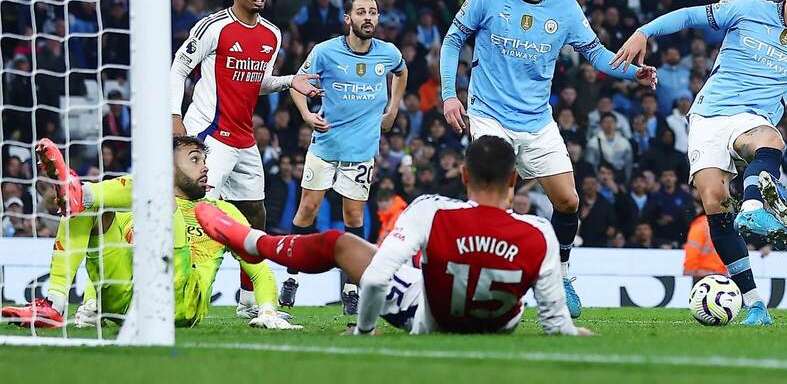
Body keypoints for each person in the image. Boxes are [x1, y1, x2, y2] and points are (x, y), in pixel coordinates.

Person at [611, 0, 787, 325]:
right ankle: (754, 304)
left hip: (753, 120)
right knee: (714, 203)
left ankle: (752, 205)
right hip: (708, 117)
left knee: (770, 138)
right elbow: (690, 16)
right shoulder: (746, 8)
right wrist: (645, 31)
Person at [439, 0, 657, 317]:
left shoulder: (566, 8)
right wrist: (449, 95)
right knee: (496, 202)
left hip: (537, 120)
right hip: (489, 114)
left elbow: (596, 54)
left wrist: (631, 74)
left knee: (569, 200)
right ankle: (482, 283)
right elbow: (453, 40)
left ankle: (561, 275)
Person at [195, 135, 590, 336]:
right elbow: (555, 320)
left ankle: (252, 242)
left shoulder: (433, 210)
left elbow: (380, 277)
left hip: (427, 317)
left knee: (341, 243)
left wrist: (364, 330)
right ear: (515, 180)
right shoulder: (539, 232)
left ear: (465, 175)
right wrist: (571, 333)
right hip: (497, 325)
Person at [1, 138, 295, 330]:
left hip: (182, 302)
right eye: (195, 159)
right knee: (90, 210)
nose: (204, 168)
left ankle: (82, 192)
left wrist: (267, 309)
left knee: (149, 195)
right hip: (124, 301)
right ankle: (55, 303)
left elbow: (257, 269)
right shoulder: (131, 206)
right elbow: (109, 258)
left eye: (204, 161)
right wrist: (91, 298)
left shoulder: (222, 210)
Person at [168, 0, 323, 317]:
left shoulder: (272, 34)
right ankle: (178, 291)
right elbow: (178, 67)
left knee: (255, 214)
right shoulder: (214, 27)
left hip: (243, 137)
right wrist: (175, 117)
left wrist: (288, 82)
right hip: (209, 133)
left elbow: (261, 82)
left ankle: (248, 300)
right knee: (194, 213)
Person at [280, 0, 408, 312]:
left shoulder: (387, 53)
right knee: (307, 210)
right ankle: (291, 278)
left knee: (353, 216)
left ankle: (351, 288)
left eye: (374, 12)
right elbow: (298, 82)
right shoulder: (325, 51)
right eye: (362, 12)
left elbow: (402, 71)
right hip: (325, 146)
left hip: (362, 150)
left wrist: (393, 109)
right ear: (348, 19)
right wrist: (308, 115)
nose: (369, 18)